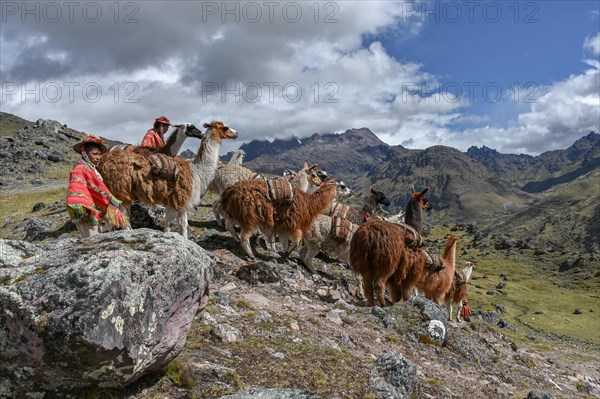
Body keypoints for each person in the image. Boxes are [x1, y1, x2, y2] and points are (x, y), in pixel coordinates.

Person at [66, 135, 128, 238]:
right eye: (94, 154)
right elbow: (97, 188)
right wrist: (112, 204)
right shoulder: (82, 168)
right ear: (84, 153)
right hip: (84, 211)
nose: (98, 157)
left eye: (99, 154)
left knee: (94, 239)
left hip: (90, 212)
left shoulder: (90, 169)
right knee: (92, 241)